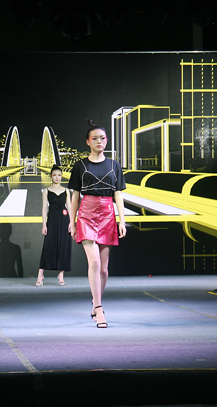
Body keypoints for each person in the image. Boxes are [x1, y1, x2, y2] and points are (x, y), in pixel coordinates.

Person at [68, 120, 127, 328]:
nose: (99, 141)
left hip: (108, 214)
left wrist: (122, 220)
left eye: (102, 138)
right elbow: (75, 196)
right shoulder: (80, 166)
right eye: (94, 138)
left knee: (103, 269)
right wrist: (73, 221)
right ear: (88, 142)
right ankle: (100, 309)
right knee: (93, 263)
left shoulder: (114, 165)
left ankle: (95, 302)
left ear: (106, 140)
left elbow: (118, 194)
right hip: (86, 213)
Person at [36, 165, 73, 287]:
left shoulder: (66, 190)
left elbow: (70, 207)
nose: (57, 177)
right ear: (51, 176)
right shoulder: (46, 190)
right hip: (51, 220)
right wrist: (44, 225)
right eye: (54, 175)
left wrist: (72, 223)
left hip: (64, 220)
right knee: (48, 246)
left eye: (59, 175)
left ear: (62, 176)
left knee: (63, 247)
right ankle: (40, 274)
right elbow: (44, 208)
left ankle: (61, 274)